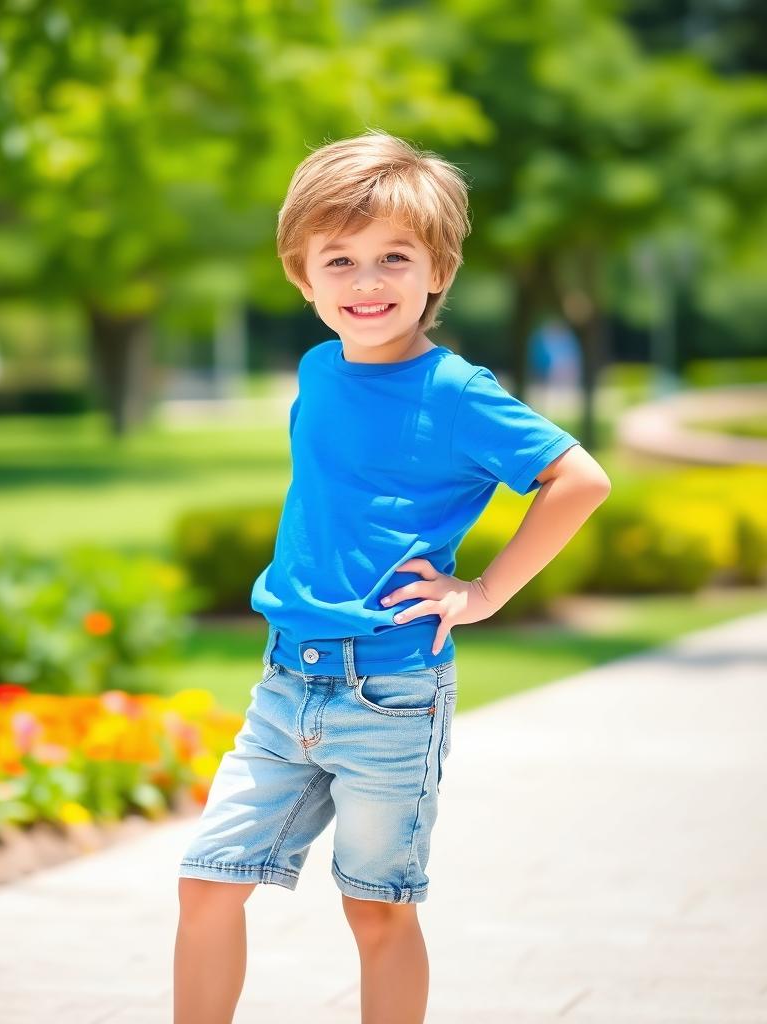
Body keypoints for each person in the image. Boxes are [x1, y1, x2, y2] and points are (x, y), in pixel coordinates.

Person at [174, 129, 612, 1024]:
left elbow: (580, 479)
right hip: (284, 684)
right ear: (301, 275)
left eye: (392, 259)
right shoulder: (317, 369)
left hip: (394, 691)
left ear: (437, 269)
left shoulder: (455, 391)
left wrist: (482, 592)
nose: (366, 283)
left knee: (377, 908)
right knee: (207, 882)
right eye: (339, 260)